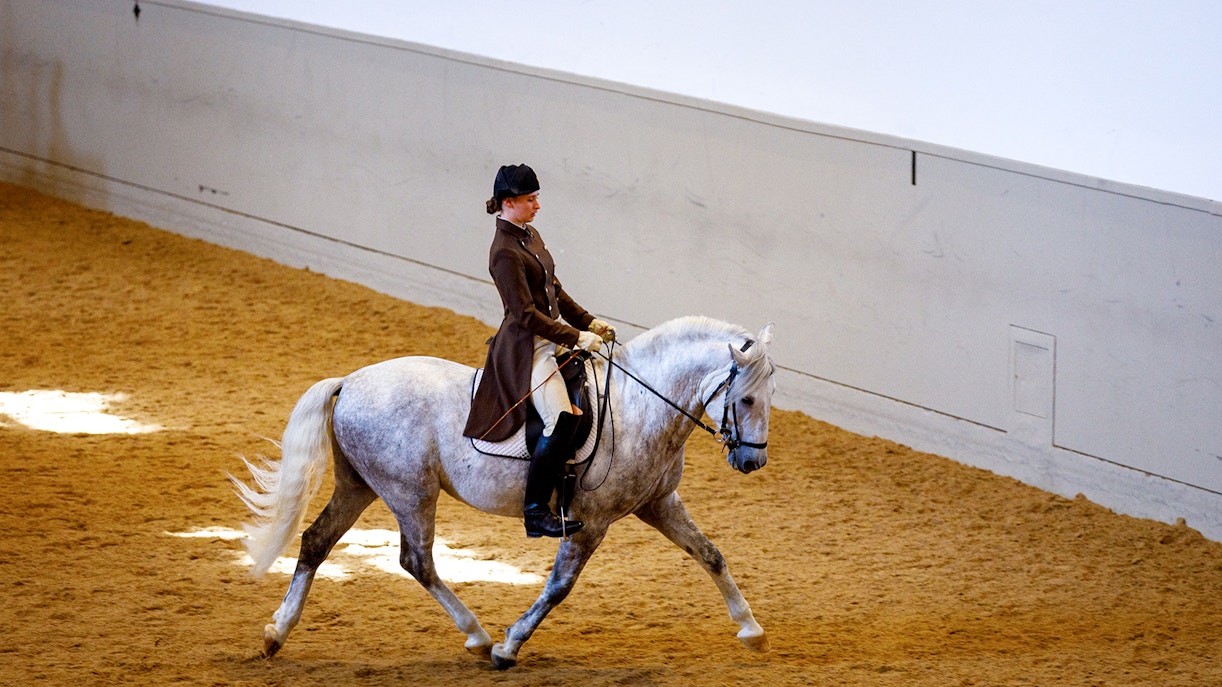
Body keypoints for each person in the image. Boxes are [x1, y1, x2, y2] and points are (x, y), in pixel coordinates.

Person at [463, 164, 616, 538]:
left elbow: (555, 291)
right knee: (561, 417)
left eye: (536, 198)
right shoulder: (503, 252)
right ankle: (535, 511)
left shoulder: (529, 235)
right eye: (531, 199)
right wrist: (575, 338)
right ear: (509, 202)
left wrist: (589, 322)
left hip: (550, 338)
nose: (537, 205)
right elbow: (524, 314)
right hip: (527, 348)